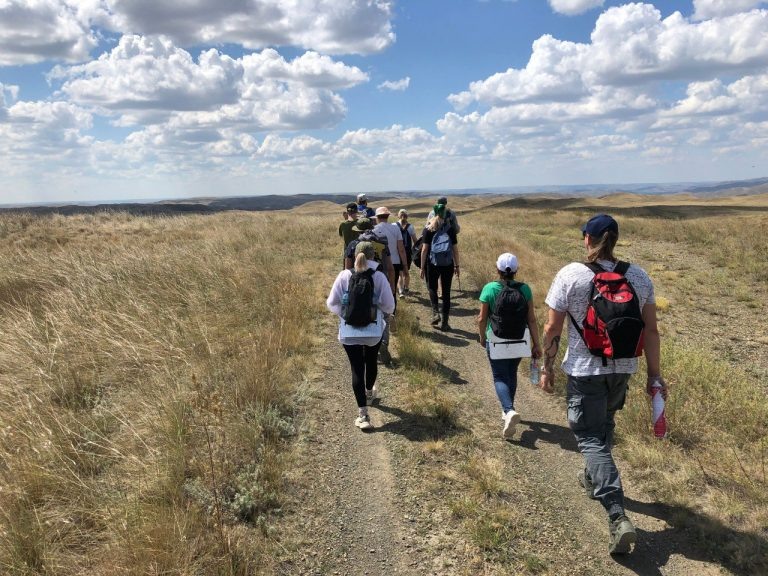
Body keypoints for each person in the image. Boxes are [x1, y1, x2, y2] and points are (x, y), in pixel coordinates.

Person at [539, 213, 668, 555]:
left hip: (585, 371)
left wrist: (546, 367)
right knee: (605, 423)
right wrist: (654, 376)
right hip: (623, 369)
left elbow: (552, 329)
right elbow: (651, 330)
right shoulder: (639, 276)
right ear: (616, 239)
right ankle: (591, 476)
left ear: (587, 239)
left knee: (590, 437)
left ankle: (617, 515)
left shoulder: (570, 274)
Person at [327, 241, 396, 430]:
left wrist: (346, 314)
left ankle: (363, 415)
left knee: (356, 369)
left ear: (355, 255)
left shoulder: (344, 275)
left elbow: (331, 303)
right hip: (373, 331)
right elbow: (389, 306)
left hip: (349, 332)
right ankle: (369, 393)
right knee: (371, 361)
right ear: (374, 256)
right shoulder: (379, 277)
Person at [477, 253, 542, 439]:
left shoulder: (489, 288)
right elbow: (531, 319)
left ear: (497, 269)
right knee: (511, 373)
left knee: (499, 376)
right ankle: (508, 411)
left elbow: (482, 318)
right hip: (519, 340)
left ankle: (508, 410)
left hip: (496, 339)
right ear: (516, 270)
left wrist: (482, 337)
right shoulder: (525, 289)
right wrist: (536, 344)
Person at [344, 217, 396, 365]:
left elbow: (347, 269)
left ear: (358, 231)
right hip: (380, 281)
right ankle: (383, 343)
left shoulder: (353, 245)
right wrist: (391, 286)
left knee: (361, 313)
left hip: (358, 285)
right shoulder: (382, 243)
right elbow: (390, 267)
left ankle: (362, 343)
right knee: (384, 317)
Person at [420, 203, 459, 331]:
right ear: (445, 215)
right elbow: (455, 250)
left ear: (434, 212)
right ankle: (445, 323)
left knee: (432, 287)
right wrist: (457, 265)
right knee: (446, 292)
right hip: (448, 264)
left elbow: (424, 250)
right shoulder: (450, 229)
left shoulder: (428, 229)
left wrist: (422, 267)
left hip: (432, 263)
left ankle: (435, 313)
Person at [373, 207, 407, 300]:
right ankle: (392, 307)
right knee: (393, 289)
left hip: (380, 263)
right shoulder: (396, 228)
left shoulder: (374, 230)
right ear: (388, 216)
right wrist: (405, 265)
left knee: (379, 290)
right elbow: (401, 249)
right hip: (395, 262)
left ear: (377, 217)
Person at [396, 209, 418, 297]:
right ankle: (406, 288)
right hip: (407, 253)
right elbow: (415, 241)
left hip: (397, 252)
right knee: (406, 272)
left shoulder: (394, 225)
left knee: (399, 273)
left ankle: (400, 291)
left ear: (398, 216)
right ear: (407, 216)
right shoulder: (410, 227)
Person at [338, 202, 360, 268]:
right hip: (359, 252)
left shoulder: (343, 224)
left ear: (347, 212)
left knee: (347, 271)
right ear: (357, 211)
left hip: (347, 252)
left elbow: (341, 235)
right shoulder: (360, 223)